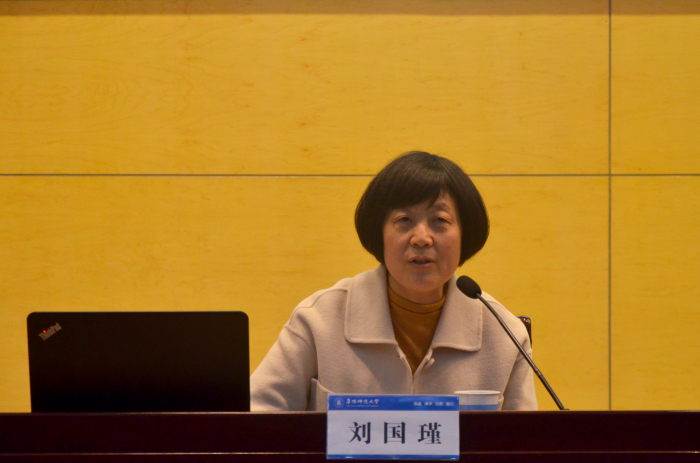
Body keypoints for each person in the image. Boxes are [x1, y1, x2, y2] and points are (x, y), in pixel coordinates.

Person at [250, 151, 537, 411]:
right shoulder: (319, 320)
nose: (421, 238)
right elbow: (253, 419)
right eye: (404, 220)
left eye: (439, 220)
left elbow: (528, 443)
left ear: (465, 233)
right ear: (380, 232)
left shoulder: (504, 335)